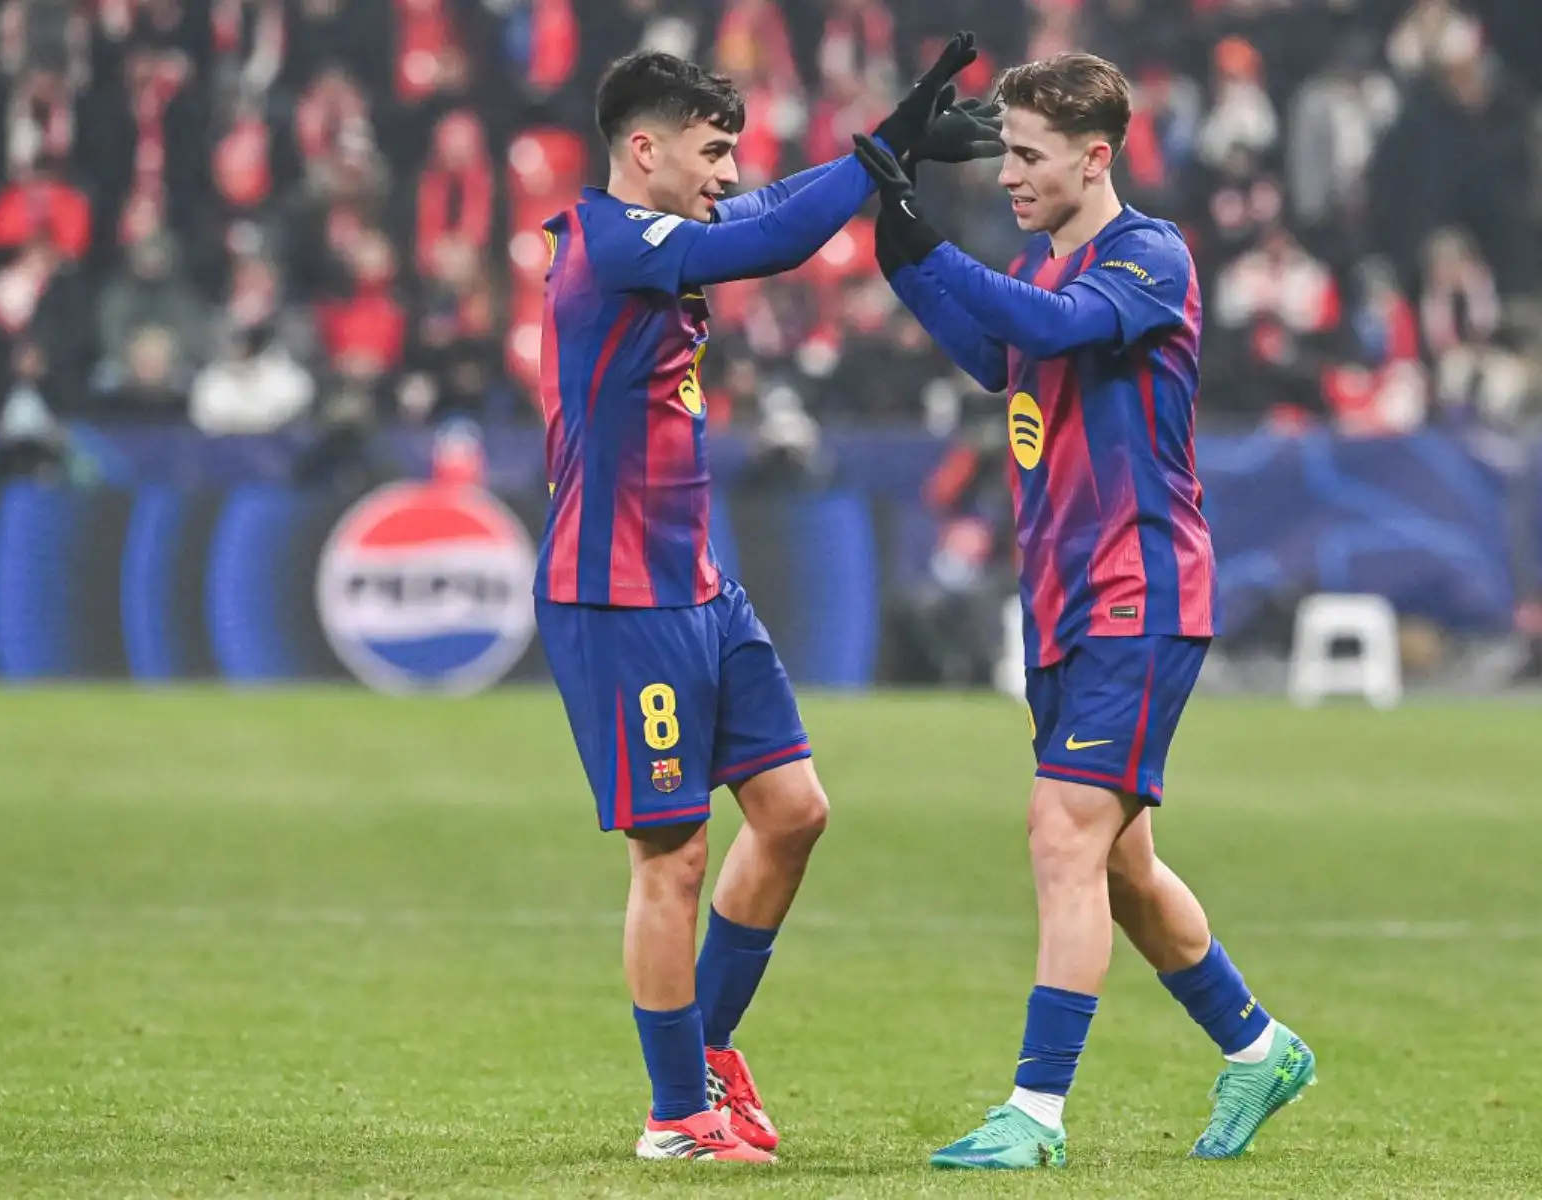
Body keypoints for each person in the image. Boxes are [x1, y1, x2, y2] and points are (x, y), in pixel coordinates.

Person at [531, 41, 1000, 1164]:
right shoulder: (603, 240)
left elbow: (777, 206)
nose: (728, 171)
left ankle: (707, 1053)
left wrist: (874, 153)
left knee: (793, 812)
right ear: (641, 149)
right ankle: (676, 1118)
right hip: (618, 594)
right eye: (710, 150)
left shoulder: (664, 239)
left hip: (698, 584)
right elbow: (778, 236)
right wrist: (883, 155)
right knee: (673, 857)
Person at [863, 51, 1316, 1169]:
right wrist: (891, 220)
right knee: (1119, 866)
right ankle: (1258, 1048)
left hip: (1142, 590)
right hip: (1063, 600)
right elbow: (987, 345)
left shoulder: (1147, 256)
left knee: (1061, 832)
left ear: (1095, 157)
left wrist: (927, 240)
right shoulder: (1037, 270)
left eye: (1027, 155)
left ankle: (1036, 1112)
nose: (1009, 173)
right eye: (1005, 151)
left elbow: (1051, 329)